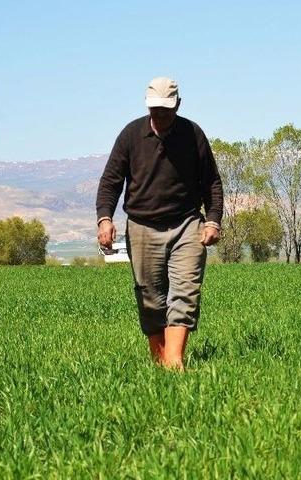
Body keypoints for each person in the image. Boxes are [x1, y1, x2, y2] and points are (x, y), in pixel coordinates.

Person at [96, 77, 223, 369]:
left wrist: (213, 221)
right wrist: (105, 219)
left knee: (185, 291)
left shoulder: (193, 135)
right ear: (147, 105)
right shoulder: (130, 136)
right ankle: (161, 364)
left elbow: (212, 183)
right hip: (142, 226)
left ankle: (175, 362)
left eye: (166, 109)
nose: (161, 115)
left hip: (187, 224)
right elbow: (110, 182)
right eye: (155, 109)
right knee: (150, 297)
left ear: (178, 104)